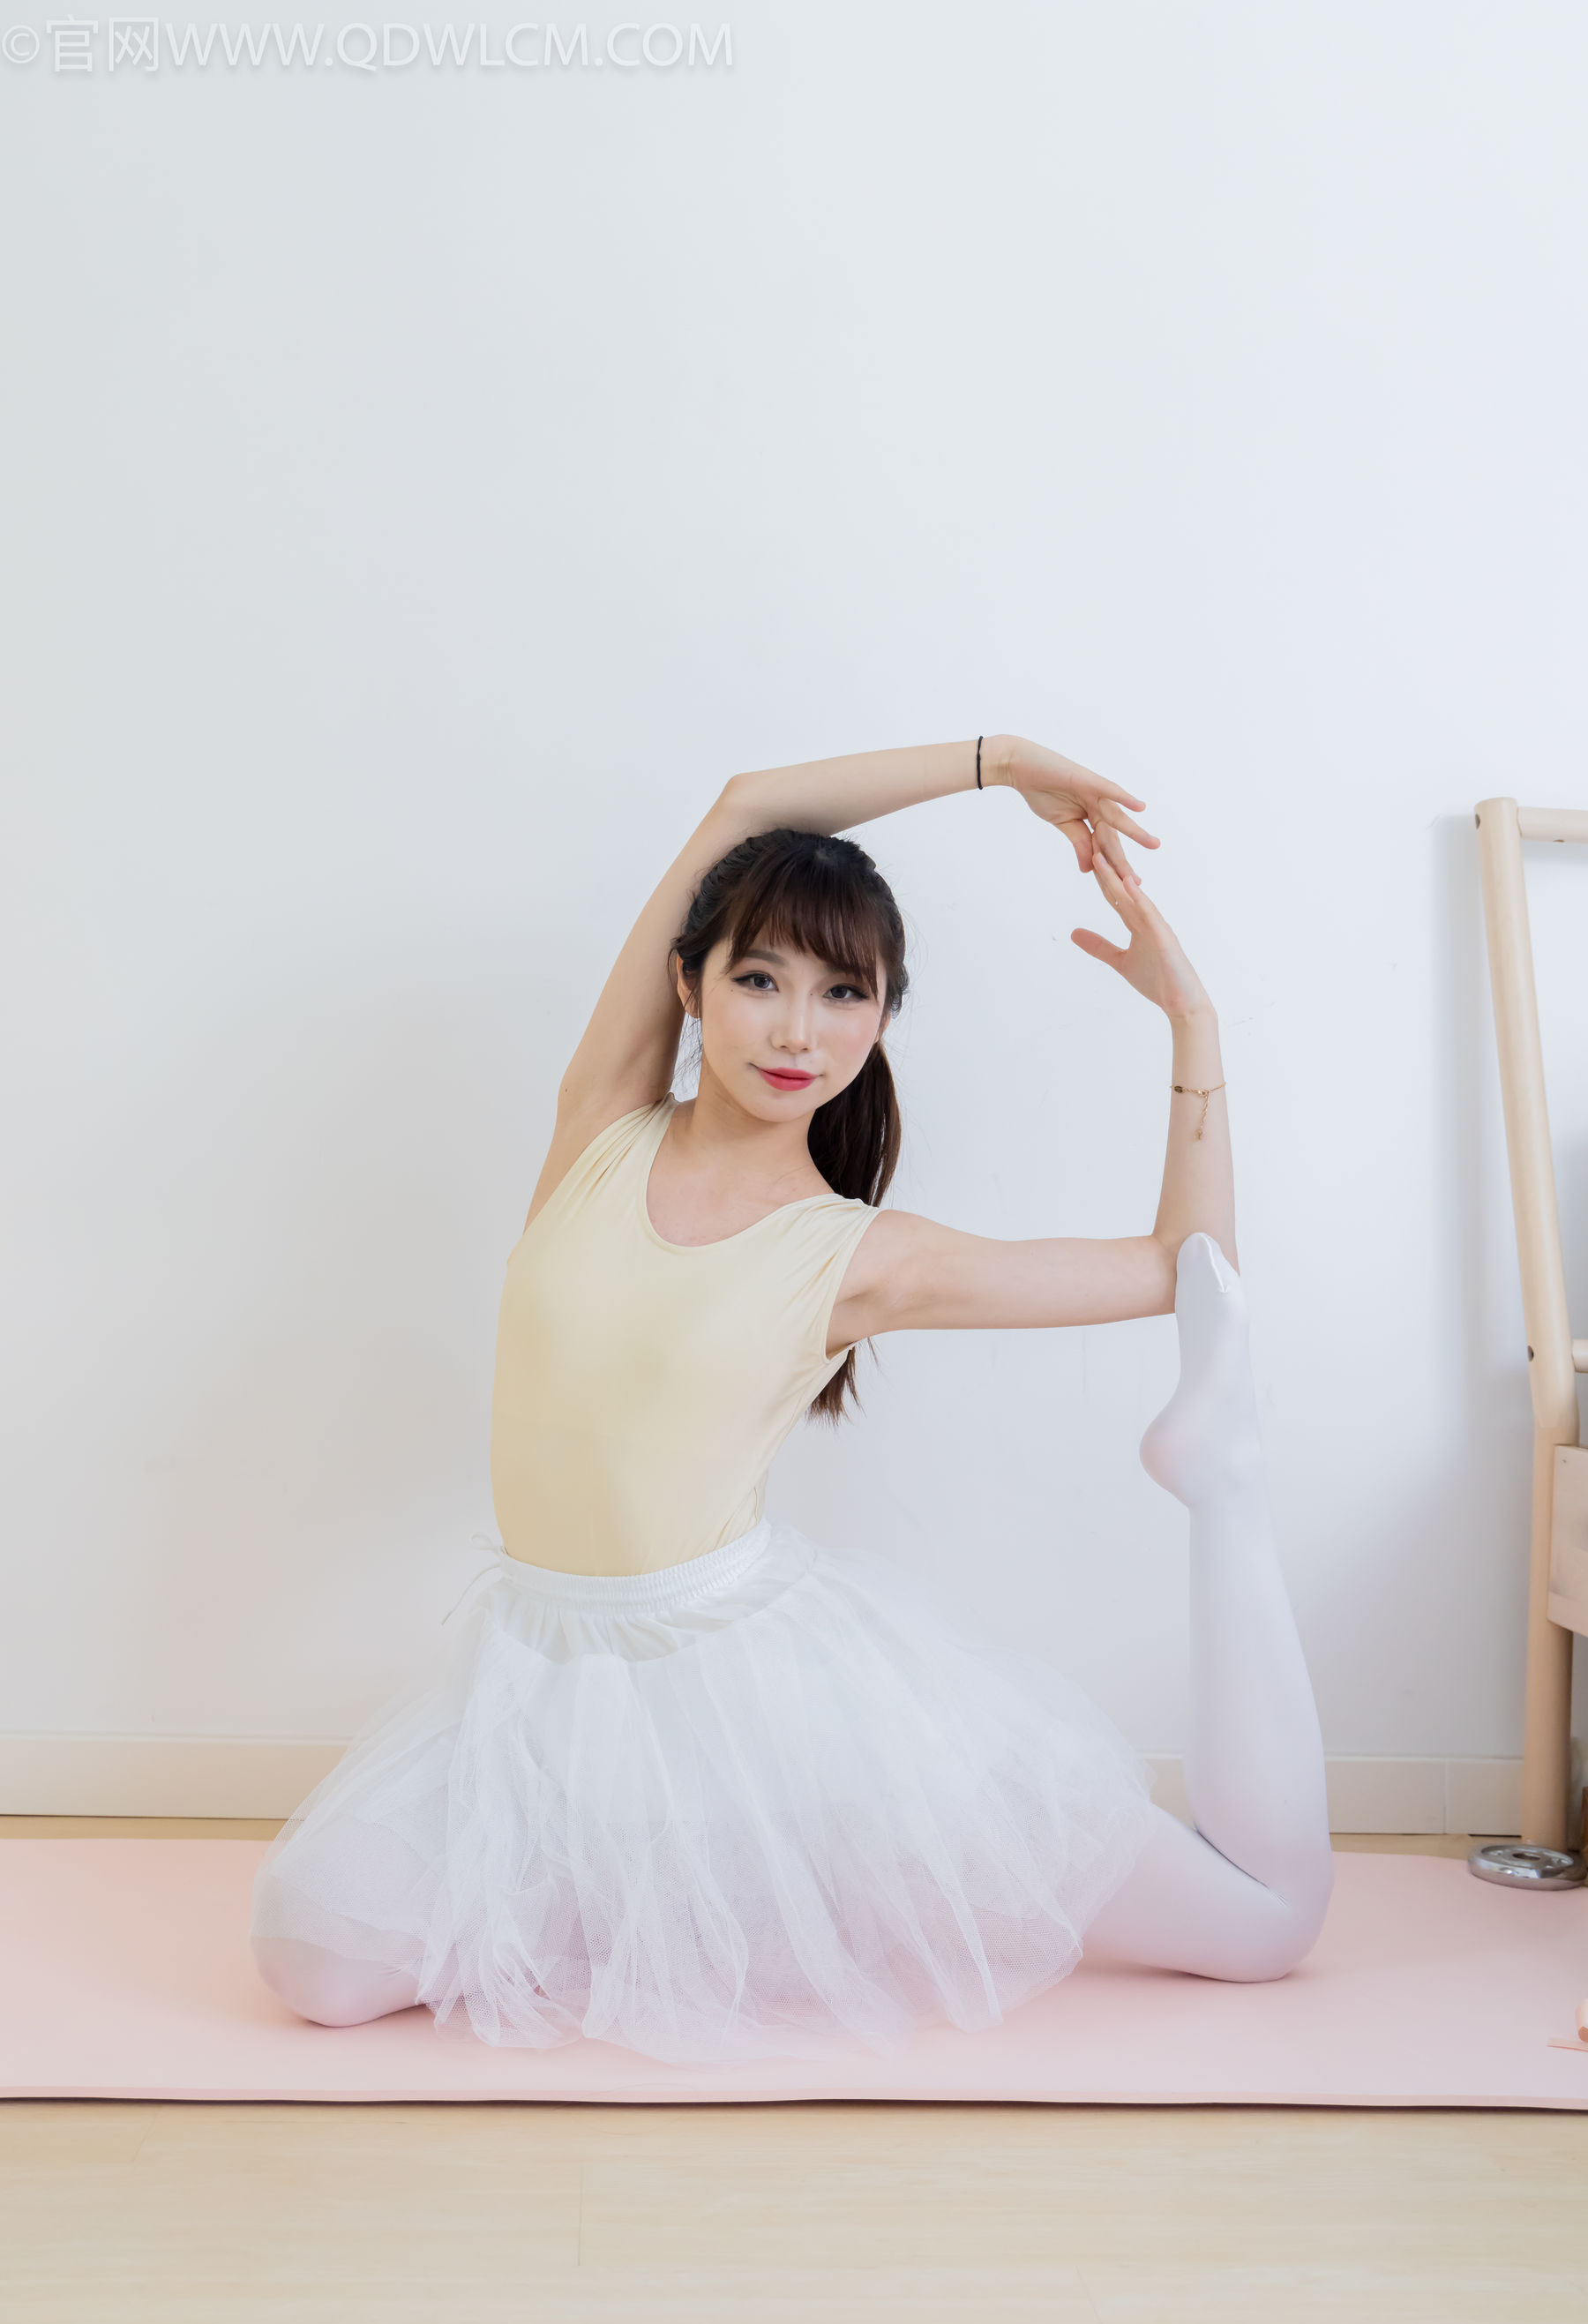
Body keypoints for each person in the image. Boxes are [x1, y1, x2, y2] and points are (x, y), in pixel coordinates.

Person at [251, 736, 1333, 2063]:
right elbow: (745, 805)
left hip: (758, 1690)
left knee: (1259, 1927)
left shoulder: (859, 1254)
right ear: (690, 985)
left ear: (879, 1021)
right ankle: (639, 1882)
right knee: (313, 1957)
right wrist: (997, 764)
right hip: (539, 1672)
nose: (796, 1030)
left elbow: (1188, 1268)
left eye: (842, 993)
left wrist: (1193, 1024)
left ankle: (1223, 1484)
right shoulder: (599, 1125)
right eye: (759, 978)